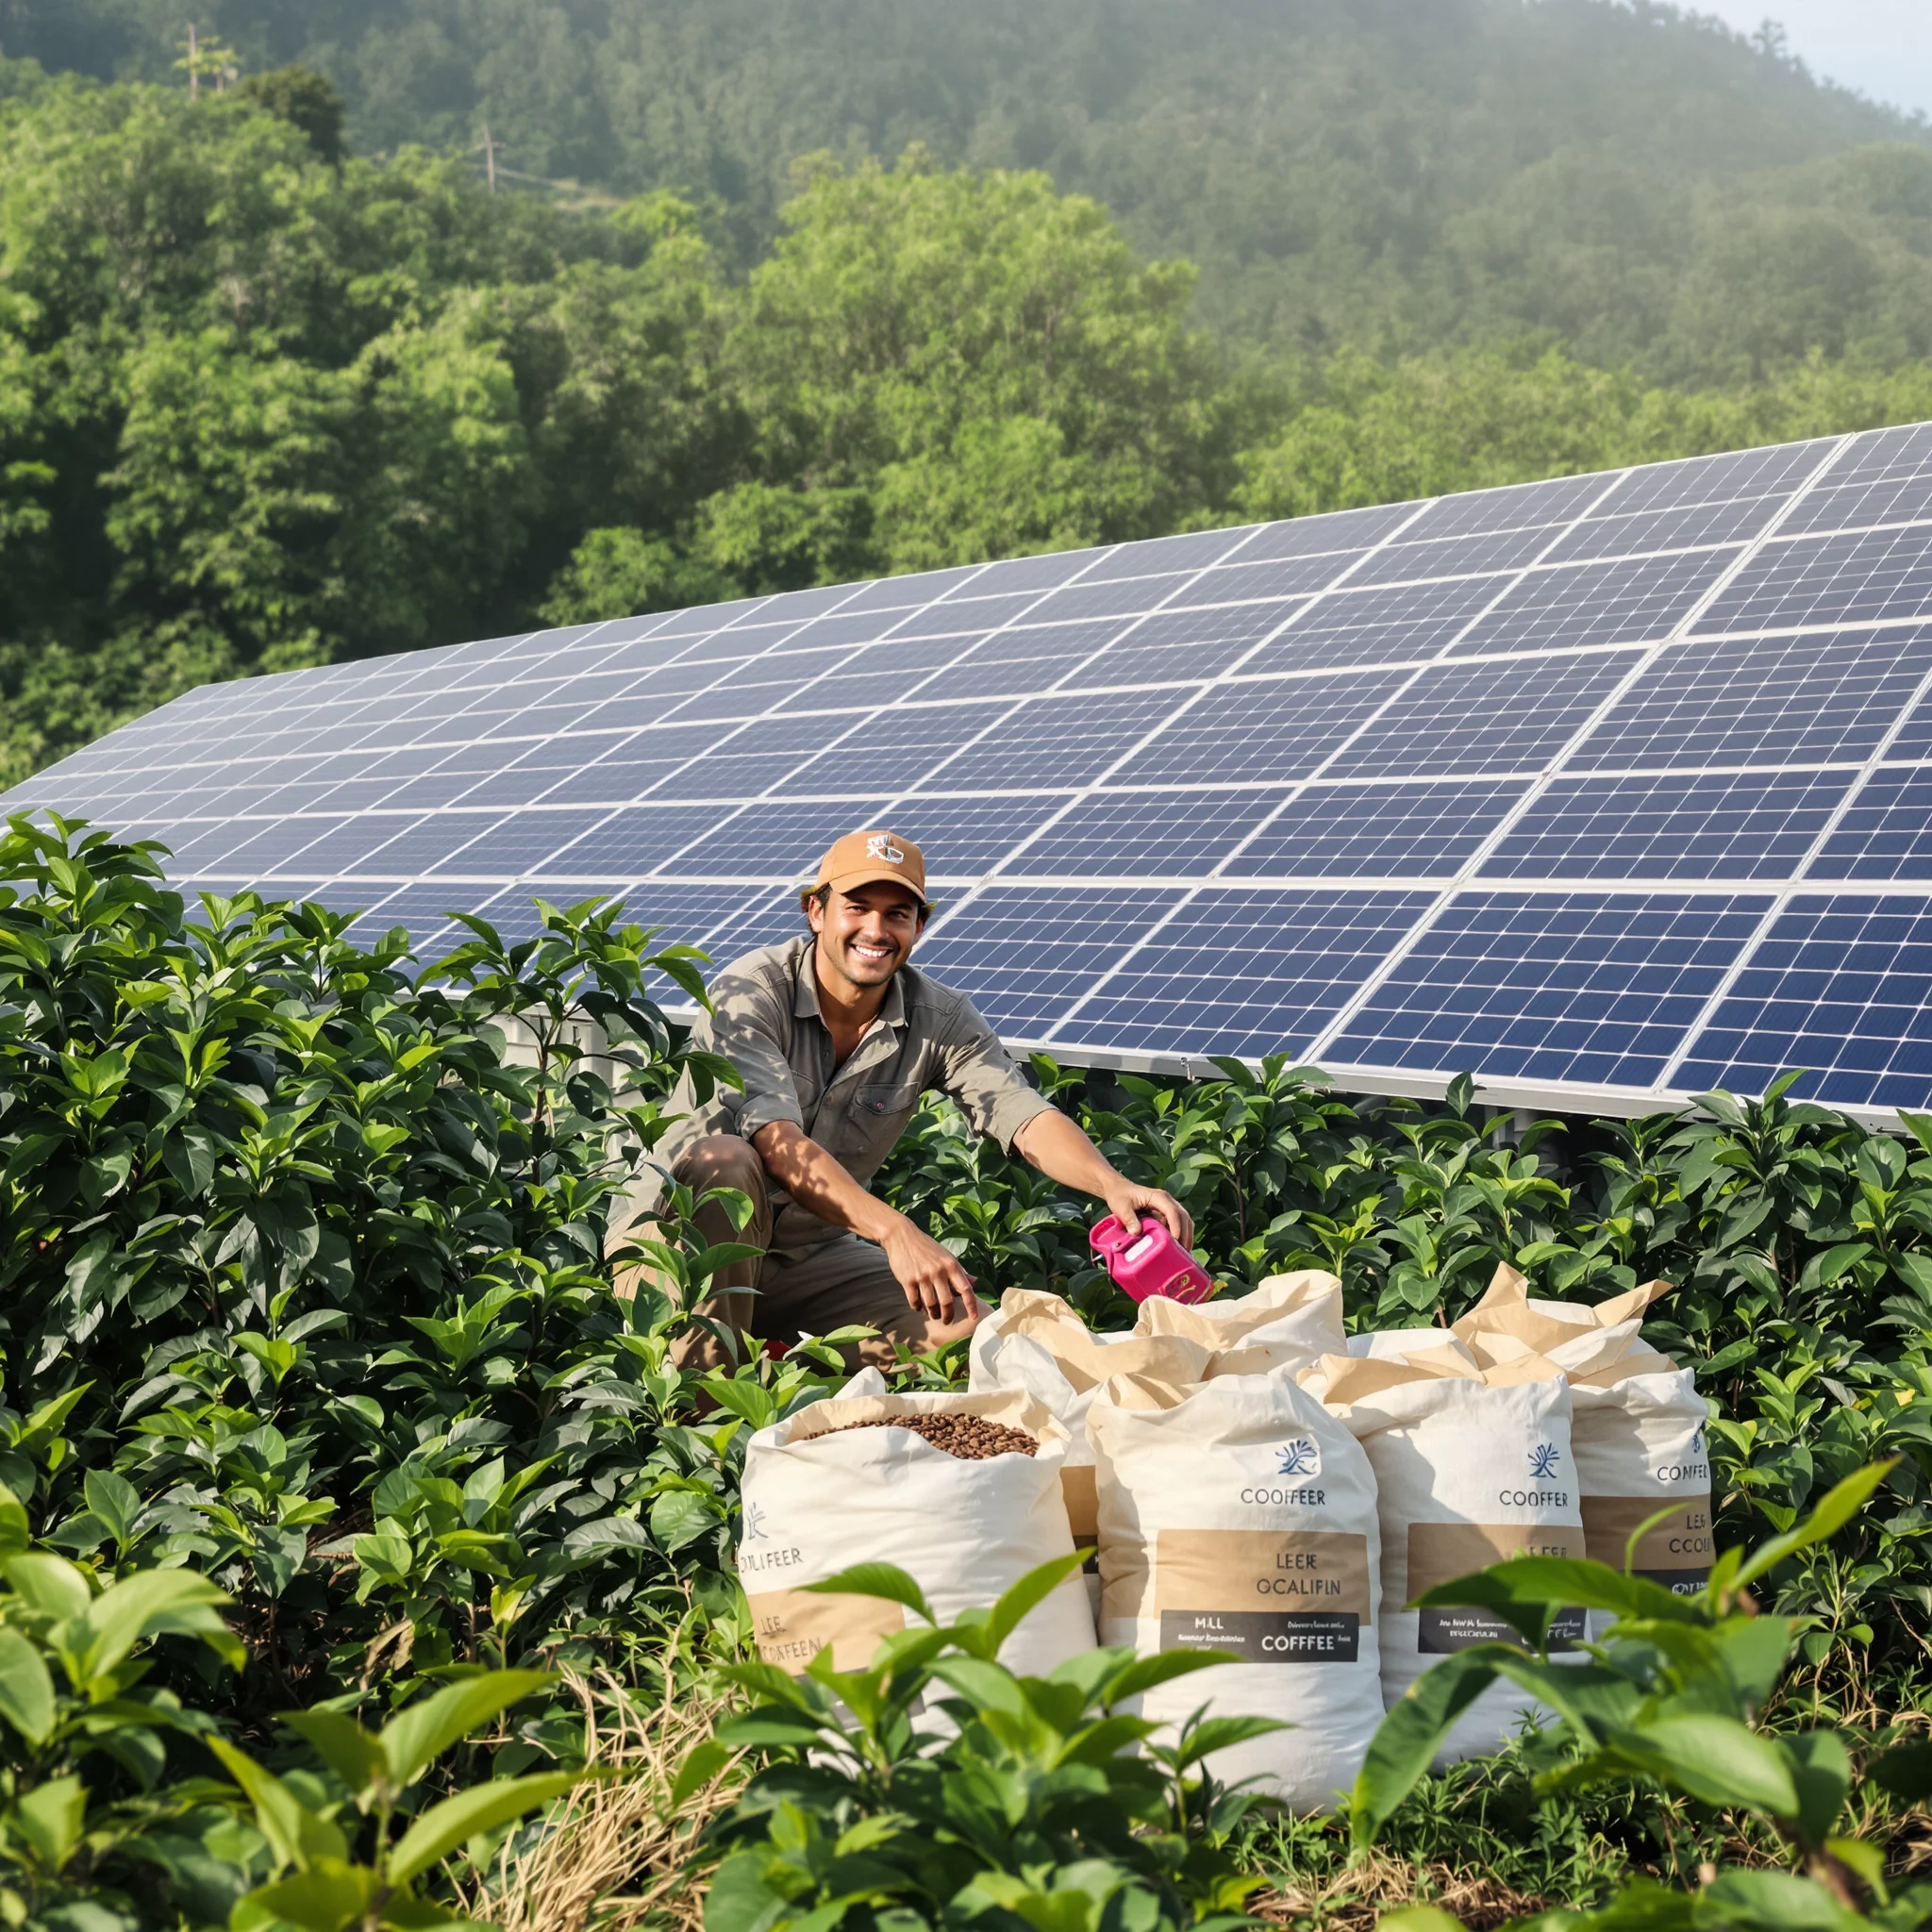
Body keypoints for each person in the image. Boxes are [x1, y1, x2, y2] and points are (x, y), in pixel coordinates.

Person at [610, 828, 1192, 1369]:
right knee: (726, 1159)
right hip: (680, 1245)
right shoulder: (751, 992)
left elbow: (1020, 1111)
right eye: (857, 908)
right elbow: (777, 1143)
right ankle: (704, 1424)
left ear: (919, 926)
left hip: (804, 1256)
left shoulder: (938, 1017)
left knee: (966, 1333)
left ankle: (784, 1366)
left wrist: (1114, 1185)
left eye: (898, 914)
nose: (876, 931)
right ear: (816, 911)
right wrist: (895, 1231)